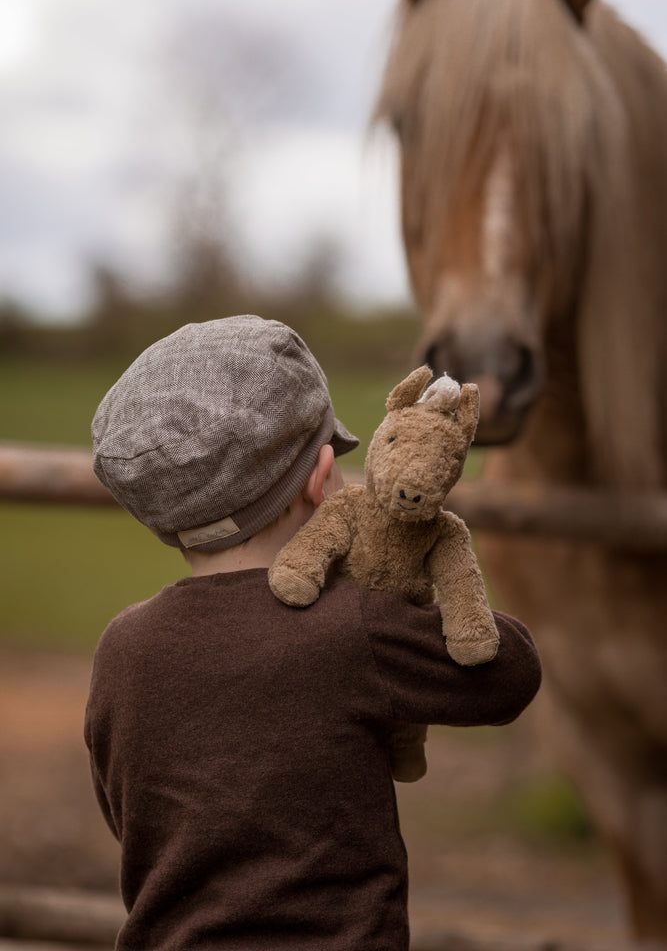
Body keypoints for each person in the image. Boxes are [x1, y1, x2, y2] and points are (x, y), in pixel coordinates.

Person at [85, 315, 541, 951]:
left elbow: (128, 815)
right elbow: (512, 672)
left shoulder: (120, 648)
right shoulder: (357, 628)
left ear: (160, 517)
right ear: (324, 478)